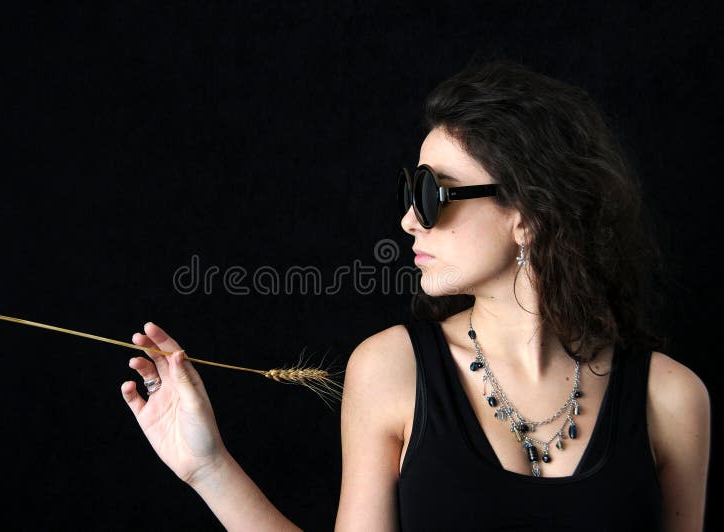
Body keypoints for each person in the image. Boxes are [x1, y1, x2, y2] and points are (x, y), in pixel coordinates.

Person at [120, 61, 711, 531]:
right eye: (411, 190)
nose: (408, 220)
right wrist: (208, 468)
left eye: (434, 193)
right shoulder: (390, 371)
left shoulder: (673, 399)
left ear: (528, 213)